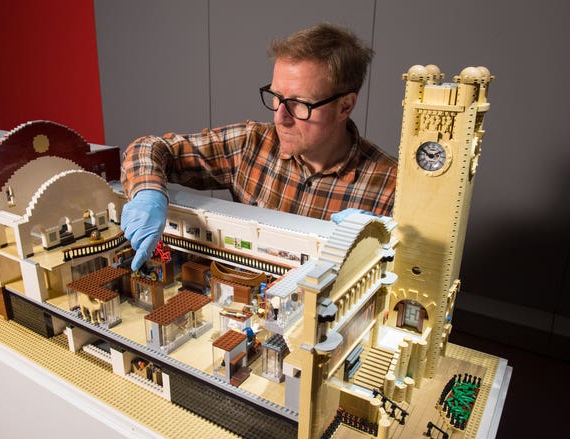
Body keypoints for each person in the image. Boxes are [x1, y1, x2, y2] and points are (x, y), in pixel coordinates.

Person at [121, 23, 397, 270]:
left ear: (345, 106)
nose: (280, 117)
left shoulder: (391, 186)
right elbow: (150, 147)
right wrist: (148, 193)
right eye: (276, 96)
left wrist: (392, 239)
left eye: (299, 103)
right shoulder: (250, 144)